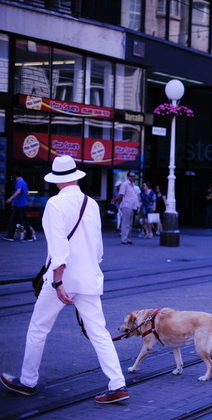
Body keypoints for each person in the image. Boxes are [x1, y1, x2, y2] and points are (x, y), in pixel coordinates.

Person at [1, 155, 129, 404]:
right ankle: (118, 385)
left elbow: (58, 249)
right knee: (99, 332)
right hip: (90, 277)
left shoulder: (55, 205)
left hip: (62, 279)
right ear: (75, 177)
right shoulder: (91, 203)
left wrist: (58, 283)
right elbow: (99, 249)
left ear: (57, 180)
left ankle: (28, 382)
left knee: (39, 327)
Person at [2, 171, 34, 242]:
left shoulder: (19, 182)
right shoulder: (24, 182)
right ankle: (10, 236)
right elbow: (27, 193)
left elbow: (18, 191)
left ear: (15, 176)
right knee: (14, 220)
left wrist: (11, 198)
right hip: (21, 204)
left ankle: (29, 236)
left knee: (23, 221)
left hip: (20, 205)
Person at [114, 172, 140, 245]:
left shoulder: (132, 185)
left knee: (130, 223)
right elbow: (121, 195)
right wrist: (120, 203)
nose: (133, 177)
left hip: (132, 206)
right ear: (128, 176)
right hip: (126, 205)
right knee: (125, 223)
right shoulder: (125, 184)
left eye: (134, 176)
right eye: (132, 176)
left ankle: (128, 238)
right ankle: (124, 239)